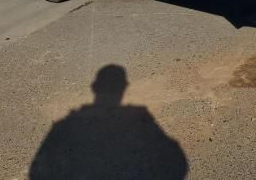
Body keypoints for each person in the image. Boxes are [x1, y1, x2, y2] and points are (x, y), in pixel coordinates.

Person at [29, 65, 188, 180]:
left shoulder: (63, 126)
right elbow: (178, 163)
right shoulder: (140, 118)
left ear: (94, 87)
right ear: (124, 87)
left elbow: (37, 172)